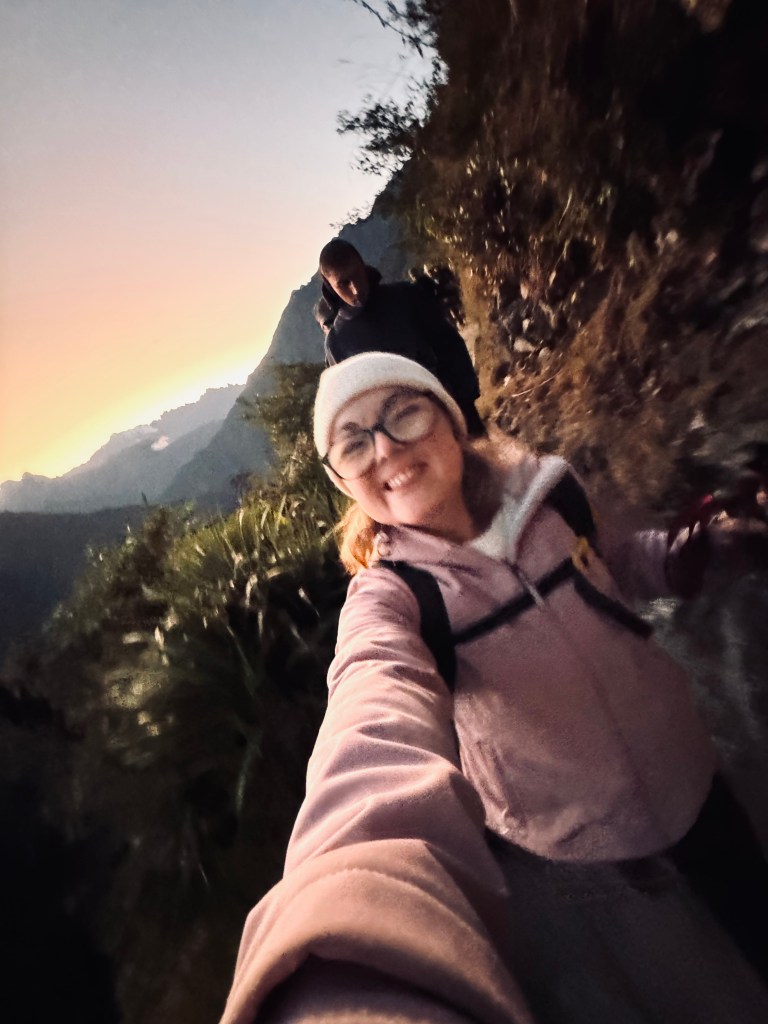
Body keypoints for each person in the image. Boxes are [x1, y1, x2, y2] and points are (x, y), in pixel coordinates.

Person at [221, 353, 768, 1024]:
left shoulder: (551, 495)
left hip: (687, 770)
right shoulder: (396, 598)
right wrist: (347, 896)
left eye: (404, 413)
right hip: (579, 852)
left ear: (451, 423)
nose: (386, 447)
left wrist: (706, 550)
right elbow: (372, 701)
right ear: (342, 480)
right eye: (354, 441)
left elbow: (618, 564)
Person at [318, 239, 485, 437]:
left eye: (356, 275)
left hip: (452, 412)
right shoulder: (337, 343)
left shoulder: (406, 297)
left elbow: (449, 344)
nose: (355, 289)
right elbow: (352, 409)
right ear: (329, 284)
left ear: (363, 266)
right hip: (402, 441)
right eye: (343, 283)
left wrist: (466, 401)